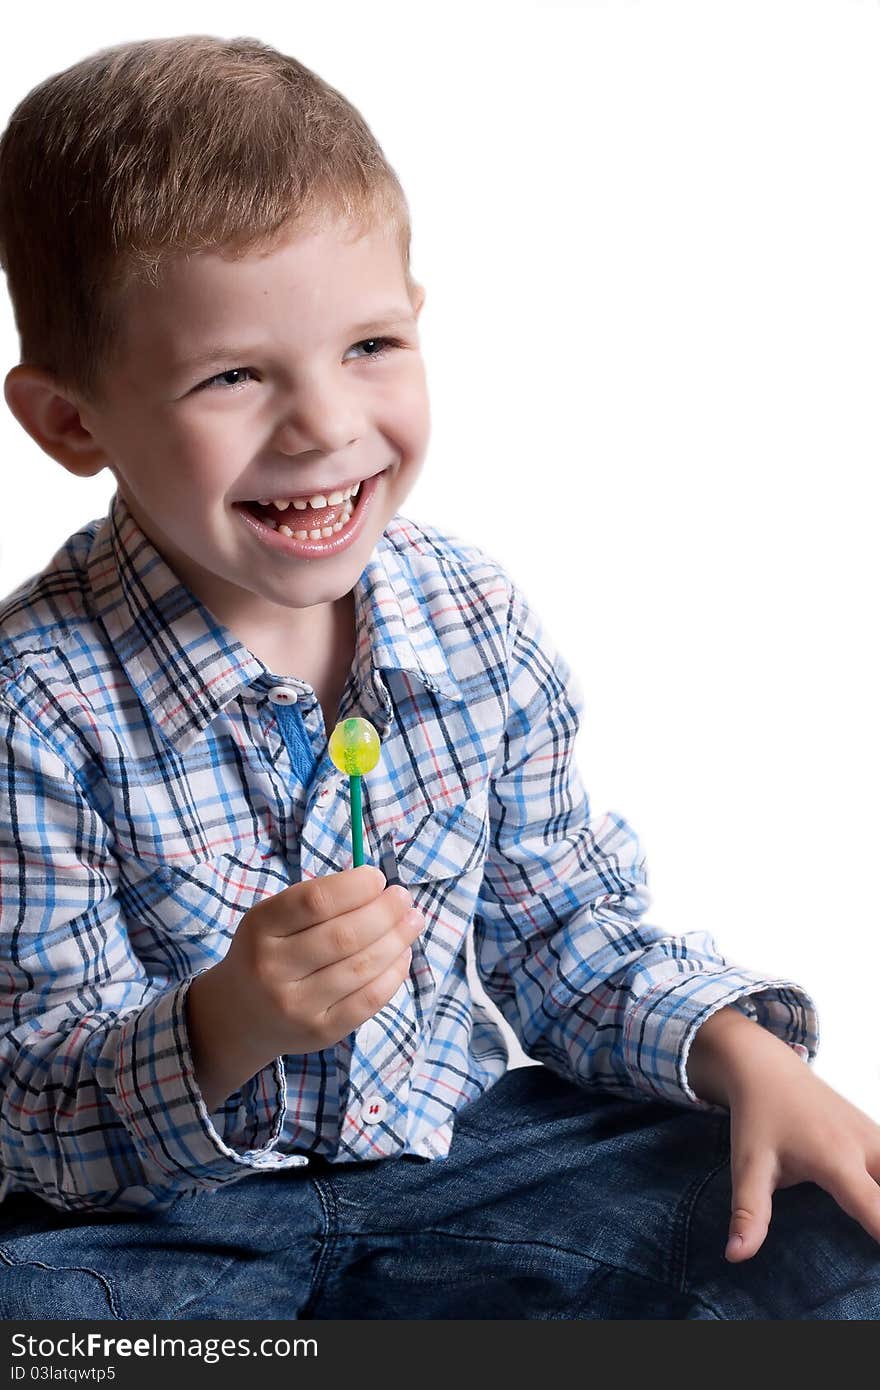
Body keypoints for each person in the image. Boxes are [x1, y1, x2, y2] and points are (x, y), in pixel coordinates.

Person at [0, 35, 877, 1322]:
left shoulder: (469, 615)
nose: (325, 425)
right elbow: (33, 1097)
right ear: (71, 421)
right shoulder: (35, 700)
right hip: (156, 1223)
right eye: (233, 375)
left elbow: (563, 927)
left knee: (817, 1245)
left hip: (469, 1160)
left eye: (368, 346)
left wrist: (740, 1052)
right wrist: (224, 1025)